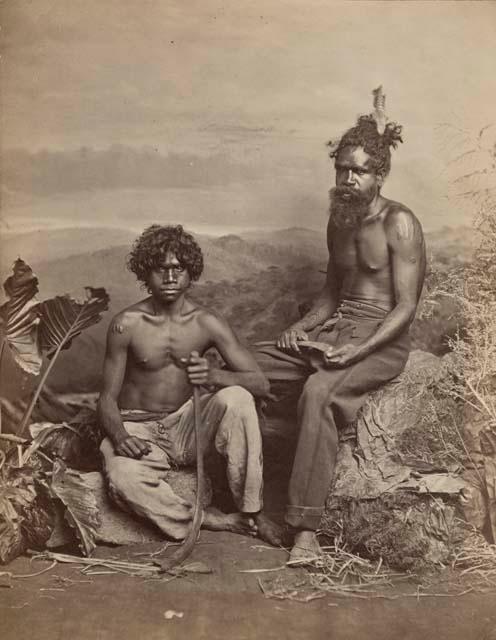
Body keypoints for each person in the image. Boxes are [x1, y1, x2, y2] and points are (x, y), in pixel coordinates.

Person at [256, 89, 426, 564]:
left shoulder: (401, 223)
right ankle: (242, 504)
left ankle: (305, 531)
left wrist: (356, 353)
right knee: (242, 359)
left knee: (319, 393)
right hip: (334, 330)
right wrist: (300, 327)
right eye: (342, 169)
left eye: (359, 170)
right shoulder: (339, 218)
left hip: (379, 340)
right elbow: (331, 296)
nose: (348, 178)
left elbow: (405, 308)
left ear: (381, 173)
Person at [97, 224, 282, 546]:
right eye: (161, 269)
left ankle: (252, 512)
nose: (170, 277)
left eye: (178, 269)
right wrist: (120, 435)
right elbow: (106, 400)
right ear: (145, 272)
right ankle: (210, 519)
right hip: (140, 431)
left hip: (188, 425)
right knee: (121, 477)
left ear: (190, 273)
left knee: (237, 396)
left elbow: (260, 383)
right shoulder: (127, 324)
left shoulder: (206, 322)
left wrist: (215, 376)